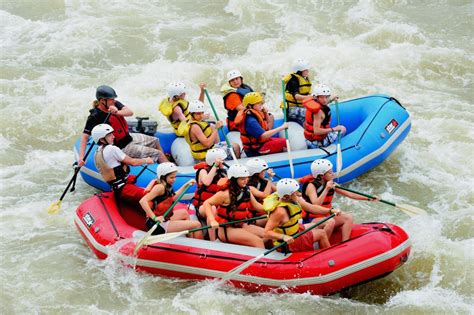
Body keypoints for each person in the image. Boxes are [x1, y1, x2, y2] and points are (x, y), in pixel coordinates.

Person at [79, 85, 168, 166]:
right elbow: (85, 137)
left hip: (129, 138)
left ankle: (164, 163)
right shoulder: (95, 116)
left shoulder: (114, 104)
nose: (114, 100)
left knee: (156, 141)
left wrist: (117, 112)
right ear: (102, 100)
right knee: (158, 153)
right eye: (111, 99)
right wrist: (81, 157)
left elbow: (130, 112)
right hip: (121, 147)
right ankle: (170, 171)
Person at [264, 178, 337, 253]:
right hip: (289, 242)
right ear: (286, 197)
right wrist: (283, 237)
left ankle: (318, 248)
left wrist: (329, 210)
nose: (299, 194)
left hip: (296, 230)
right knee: (322, 233)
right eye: (295, 193)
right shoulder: (280, 212)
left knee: (315, 225)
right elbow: (266, 232)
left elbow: (311, 207)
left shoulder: (293, 199)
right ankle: (329, 254)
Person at [299, 159, 364, 242]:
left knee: (348, 217)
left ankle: (345, 243)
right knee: (330, 221)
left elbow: (350, 194)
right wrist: (326, 189)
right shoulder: (311, 186)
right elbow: (316, 204)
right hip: (312, 219)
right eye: (330, 173)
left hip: (325, 215)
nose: (332, 174)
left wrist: (369, 198)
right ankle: (323, 247)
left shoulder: (331, 184)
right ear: (321, 176)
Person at [91, 124, 154, 205]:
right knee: (153, 196)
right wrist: (147, 160)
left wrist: (126, 179)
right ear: (102, 140)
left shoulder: (98, 151)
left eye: (112, 134)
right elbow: (133, 162)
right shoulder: (112, 148)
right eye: (109, 135)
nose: (113, 136)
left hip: (116, 188)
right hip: (125, 190)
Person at [205, 164, 266, 248]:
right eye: (242, 179)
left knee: (268, 235)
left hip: (242, 224)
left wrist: (272, 209)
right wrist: (212, 220)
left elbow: (258, 206)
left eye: (246, 178)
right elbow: (207, 203)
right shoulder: (225, 194)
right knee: (258, 242)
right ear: (234, 179)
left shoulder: (247, 190)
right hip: (227, 229)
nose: (245, 181)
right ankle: (262, 261)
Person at [139, 162, 203, 239]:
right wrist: (155, 218)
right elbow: (142, 201)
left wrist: (186, 185)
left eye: (175, 177)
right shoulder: (160, 187)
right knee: (197, 225)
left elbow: (173, 197)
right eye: (172, 178)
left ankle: (190, 240)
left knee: (184, 213)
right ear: (163, 177)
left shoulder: (166, 185)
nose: (174, 180)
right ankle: (199, 246)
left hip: (164, 218)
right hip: (158, 225)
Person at [235, 92, 288, 157]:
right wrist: (282, 127)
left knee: (284, 141)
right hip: (256, 150)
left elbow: (268, 123)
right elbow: (263, 135)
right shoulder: (251, 121)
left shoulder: (255, 113)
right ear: (249, 106)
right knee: (284, 142)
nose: (261, 105)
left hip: (261, 143)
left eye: (261, 103)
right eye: (258, 103)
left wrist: (265, 113)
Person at [303, 84, 346, 149]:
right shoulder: (318, 113)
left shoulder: (314, 103)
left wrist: (331, 99)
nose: (325, 100)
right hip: (317, 142)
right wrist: (333, 129)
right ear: (316, 97)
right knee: (343, 128)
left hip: (310, 139)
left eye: (326, 97)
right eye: (322, 97)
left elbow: (323, 103)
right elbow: (316, 131)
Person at [192, 148, 228, 223]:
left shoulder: (222, 172)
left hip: (218, 204)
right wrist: (215, 166)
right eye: (222, 161)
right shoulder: (203, 171)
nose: (224, 162)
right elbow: (207, 182)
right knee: (213, 209)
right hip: (203, 205)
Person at [245, 158, 276, 226]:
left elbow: (278, 190)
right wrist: (270, 179)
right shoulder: (249, 187)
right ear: (255, 173)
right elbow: (264, 195)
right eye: (263, 171)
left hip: (266, 211)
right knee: (277, 216)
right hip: (256, 217)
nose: (264, 173)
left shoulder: (264, 181)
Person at [282, 58, 313, 126]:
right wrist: (311, 97)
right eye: (305, 70)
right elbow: (297, 96)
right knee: (312, 113)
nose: (308, 71)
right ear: (299, 71)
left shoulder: (304, 78)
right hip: (291, 110)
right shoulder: (294, 81)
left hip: (299, 106)